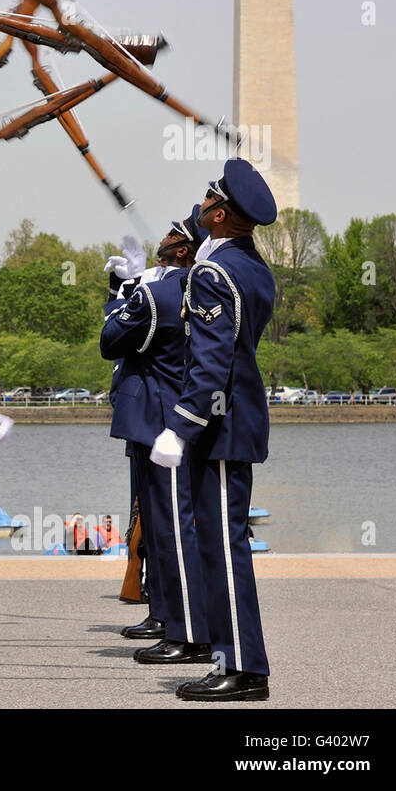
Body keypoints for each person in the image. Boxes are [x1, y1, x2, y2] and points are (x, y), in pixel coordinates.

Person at [152, 157, 278, 702]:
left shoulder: (212, 273)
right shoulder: (252, 268)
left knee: (223, 548)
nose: (199, 205)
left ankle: (242, 668)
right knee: (226, 543)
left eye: (207, 199)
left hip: (219, 426)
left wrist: (181, 426)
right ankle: (237, 660)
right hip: (237, 419)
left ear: (220, 214)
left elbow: (211, 360)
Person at [100, 208, 210, 666]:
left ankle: (187, 631)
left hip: (156, 421)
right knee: (166, 528)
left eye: (171, 233)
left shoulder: (160, 292)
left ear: (182, 249)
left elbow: (111, 339)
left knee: (169, 530)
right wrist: (129, 292)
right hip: (181, 419)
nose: (162, 237)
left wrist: (124, 294)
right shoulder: (201, 288)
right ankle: (168, 617)